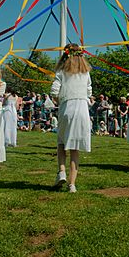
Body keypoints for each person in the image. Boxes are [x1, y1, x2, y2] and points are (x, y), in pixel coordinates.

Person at [50, 43, 92, 193]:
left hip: (67, 107)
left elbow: (54, 91)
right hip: (82, 109)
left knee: (61, 142)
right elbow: (89, 91)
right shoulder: (86, 72)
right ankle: (72, 185)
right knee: (75, 148)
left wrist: (58, 100)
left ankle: (61, 171)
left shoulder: (62, 71)